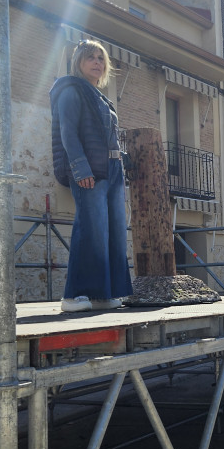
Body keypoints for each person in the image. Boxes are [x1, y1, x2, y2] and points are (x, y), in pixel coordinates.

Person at [50, 40, 133, 312]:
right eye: (90, 57)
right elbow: (68, 134)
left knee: (112, 232)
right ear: (79, 62)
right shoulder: (71, 90)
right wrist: (80, 168)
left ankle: (102, 293)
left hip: (111, 171)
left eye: (101, 58)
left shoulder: (101, 97)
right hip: (89, 171)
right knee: (90, 229)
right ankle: (73, 296)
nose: (97, 62)